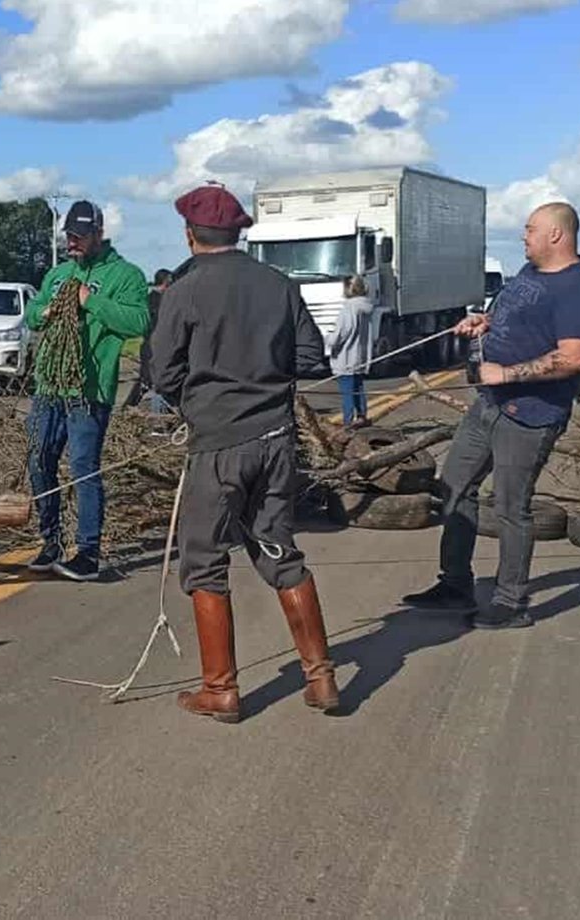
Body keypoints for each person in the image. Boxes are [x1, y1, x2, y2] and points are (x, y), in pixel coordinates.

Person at [149, 183, 338, 723]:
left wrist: (202, 400)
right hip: (275, 442)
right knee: (279, 550)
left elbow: (162, 373)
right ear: (239, 233)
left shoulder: (183, 290)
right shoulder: (279, 284)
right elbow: (312, 360)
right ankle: (321, 676)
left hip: (217, 448)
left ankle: (221, 689)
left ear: (190, 236)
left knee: (204, 563)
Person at [403, 202, 580, 628]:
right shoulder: (531, 274)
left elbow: (574, 358)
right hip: (489, 406)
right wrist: (486, 322)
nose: (523, 236)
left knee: (512, 507)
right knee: (454, 487)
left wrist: (505, 373)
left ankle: (511, 602)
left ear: (556, 234)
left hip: (530, 414)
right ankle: (455, 584)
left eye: (530, 229)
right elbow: (517, 317)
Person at [23, 200, 150, 581]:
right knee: (39, 461)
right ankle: (51, 541)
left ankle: (88, 552)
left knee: (83, 469)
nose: (72, 242)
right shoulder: (58, 273)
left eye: (80, 236)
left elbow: (139, 321)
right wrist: (43, 313)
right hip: (49, 386)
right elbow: (31, 315)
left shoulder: (126, 274)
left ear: (99, 233)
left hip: (88, 391)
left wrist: (89, 301)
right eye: (69, 236)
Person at [326, 274, 373, 428]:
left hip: (346, 358)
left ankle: (348, 423)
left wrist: (327, 339)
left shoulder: (349, 309)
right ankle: (362, 416)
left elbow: (341, 333)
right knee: (359, 388)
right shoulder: (365, 307)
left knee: (347, 393)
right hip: (360, 357)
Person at [123, 268, 174, 412]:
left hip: (147, 345)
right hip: (156, 346)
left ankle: (132, 405)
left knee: (146, 378)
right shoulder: (161, 302)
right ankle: (154, 414)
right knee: (154, 380)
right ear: (166, 281)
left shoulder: (148, 300)